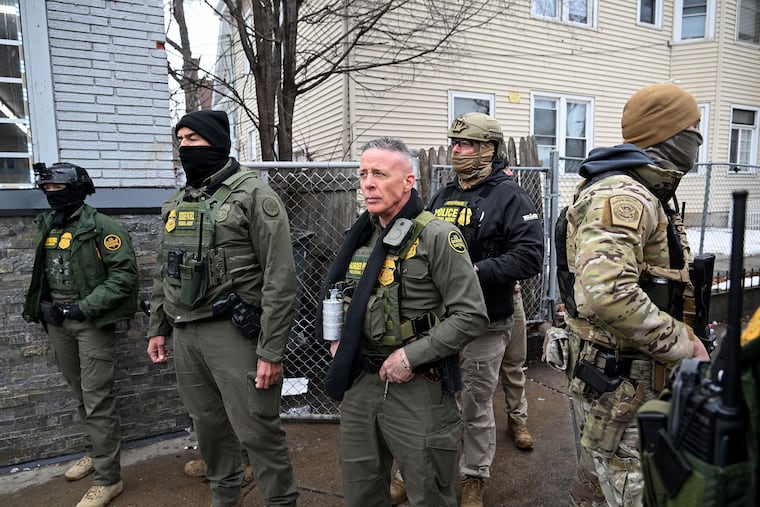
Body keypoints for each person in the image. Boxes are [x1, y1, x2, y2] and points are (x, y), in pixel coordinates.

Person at [560, 83, 711, 506]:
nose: (698, 138)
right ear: (668, 133)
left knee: (602, 477)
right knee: (636, 488)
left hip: (630, 369)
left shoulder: (647, 189)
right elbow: (608, 292)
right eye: (693, 128)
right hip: (624, 379)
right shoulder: (623, 194)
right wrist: (686, 345)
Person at [318, 137, 489, 507]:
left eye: (379, 173)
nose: (367, 183)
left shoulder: (437, 237)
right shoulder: (359, 237)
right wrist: (339, 336)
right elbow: (344, 293)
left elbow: (471, 315)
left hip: (417, 387)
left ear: (408, 182)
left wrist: (412, 356)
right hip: (361, 380)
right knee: (361, 489)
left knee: (428, 491)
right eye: (363, 174)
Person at [146, 110, 299, 507]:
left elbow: (280, 278)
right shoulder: (178, 202)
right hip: (185, 334)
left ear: (216, 142)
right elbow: (166, 268)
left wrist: (271, 350)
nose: (183, 148)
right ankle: (225, 497)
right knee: (209, 429)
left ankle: (280, 501)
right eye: (179, 140)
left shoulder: (254, 196)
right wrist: (157, 326)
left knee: (257, 430)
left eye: (192, 140)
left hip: (233, 331)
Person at [426, 113, 543, 506]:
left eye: (466, 144)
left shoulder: (510, 196)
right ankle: (421, 472)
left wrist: (473, 270)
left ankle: (474, 476)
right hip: (441, 320)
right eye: (454, 143)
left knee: (476, 401)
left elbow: (529, 257)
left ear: (489, 149)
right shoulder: (442, 197)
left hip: (487, 319)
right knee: (434, 400)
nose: (456, 150)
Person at [23, 162, 138, 507]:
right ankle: (95, 453)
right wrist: (43, 304)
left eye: (58, 189)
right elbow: (45, 270)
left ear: (77, 190)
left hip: (90, 322)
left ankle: (108, 479)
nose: (52, 195)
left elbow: (124, 276)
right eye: (47, 190)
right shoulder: (48, 224)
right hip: (58, 322)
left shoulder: (102, 227)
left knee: (97, 398)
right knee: (80, 393)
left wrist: (84, 307)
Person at [499, 283, 534, 450]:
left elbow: (527, 260)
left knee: (514, 363)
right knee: (473, 369)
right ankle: (468, 424)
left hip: (512, 296)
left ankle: (517, 421)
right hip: (475, 298)